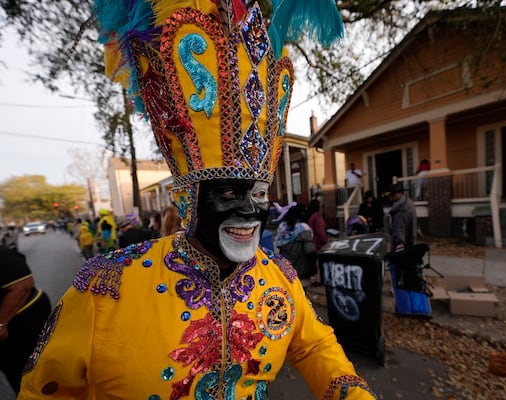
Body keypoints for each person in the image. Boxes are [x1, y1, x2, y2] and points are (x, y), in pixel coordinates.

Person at [18, 1, 374, 399]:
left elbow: (313, 345)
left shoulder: (280, 278)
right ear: (187, 199)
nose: (249, 210)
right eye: (227, 193)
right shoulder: (105, 287)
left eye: (258, 193)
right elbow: (44, 390)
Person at [0, 246, 51, 396]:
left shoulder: (3, 256)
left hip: (24, 318)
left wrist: (1, 323)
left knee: (29, 373)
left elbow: (23, 286)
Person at [274, 203, 315, 280]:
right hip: (300, 266)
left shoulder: (281, 227)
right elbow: (310, 245)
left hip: (285, 266)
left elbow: (277, 243)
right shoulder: (303, 227)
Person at [387, 183, 418, 251]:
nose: (389, 198)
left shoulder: (401, 209)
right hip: (409, 242)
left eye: (391, 195)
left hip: (403, 245)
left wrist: (399, 243)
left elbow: (400, 228)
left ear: (398, 194)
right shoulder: (408, 202)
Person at [305, 199, 328, 284]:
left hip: (312, 243)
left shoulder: (311, 217)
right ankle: (320, 280)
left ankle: (314, 279)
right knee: (321, 264)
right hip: (319, 244)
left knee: (314, 264)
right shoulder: (317, 217)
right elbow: (320, 231)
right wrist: (325, 241)